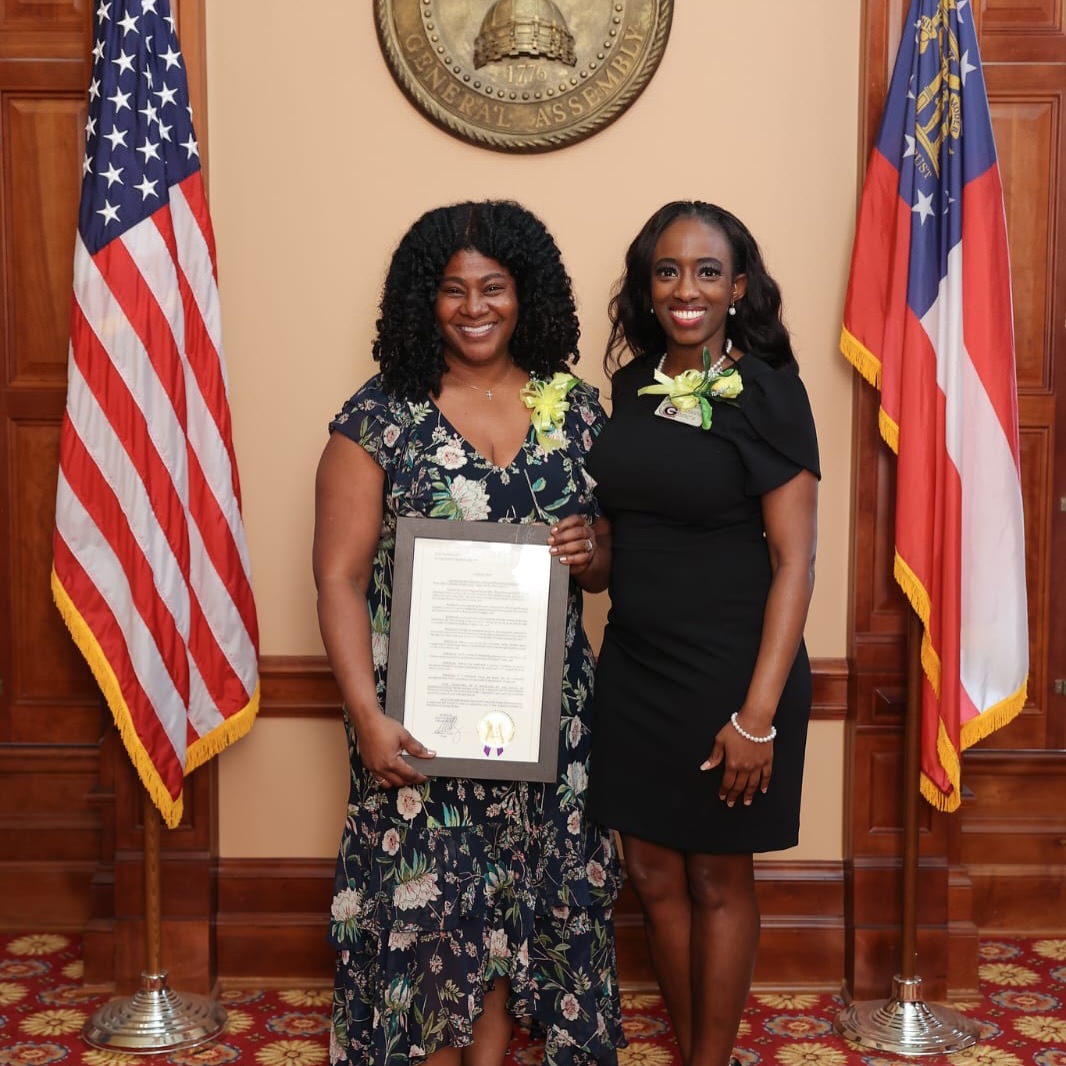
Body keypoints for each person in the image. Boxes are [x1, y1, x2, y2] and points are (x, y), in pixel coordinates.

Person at [312, 200, 623, 1066]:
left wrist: (593, 551)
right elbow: (335, 578)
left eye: (494, 287)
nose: (474, 306)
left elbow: (608, 565)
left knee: (533, 900)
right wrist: (365, 715)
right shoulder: (377, 418)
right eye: (453, 290)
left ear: (526, 295)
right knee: (432, 912)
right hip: (415, 718)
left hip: (548, 720)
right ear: (425, 300)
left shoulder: (576, 413)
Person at [584, 201, 820, 1066]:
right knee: (649, 875)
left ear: (738, 288)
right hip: (637, 669)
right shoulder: (628, 390)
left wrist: (757, 716)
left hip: (733, 673)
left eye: (708, 272)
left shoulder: (770, 395)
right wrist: (587, 551)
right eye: (669, 271)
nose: (688, 289)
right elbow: (617, 552)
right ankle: (695, 1050)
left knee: (719, 877)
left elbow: (795, 563)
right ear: (648, 287)